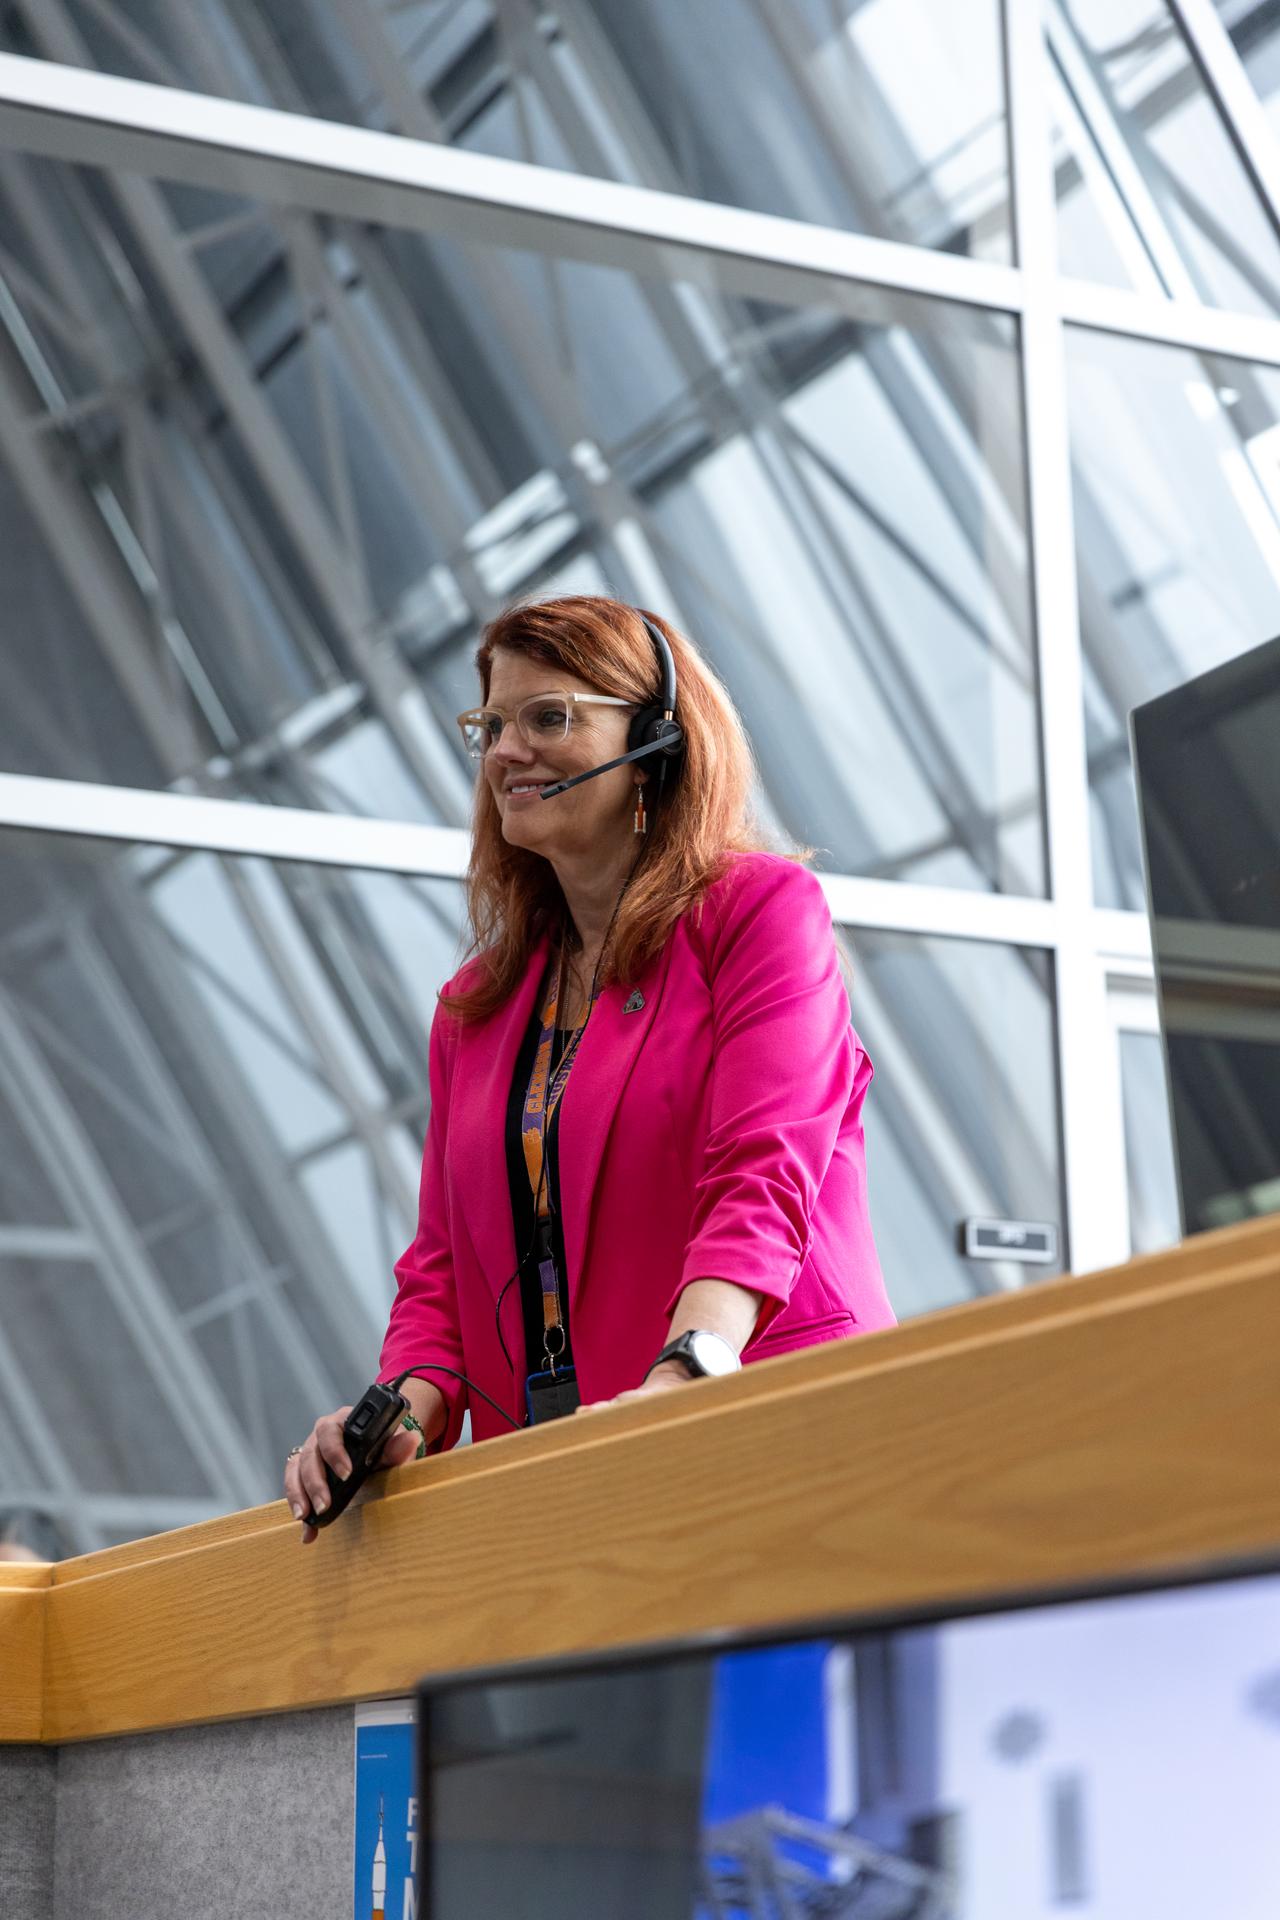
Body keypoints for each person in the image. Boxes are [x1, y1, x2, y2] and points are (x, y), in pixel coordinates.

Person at [285, 596, 894, 1541]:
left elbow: (762, 1175)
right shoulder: (474, 1009)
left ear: (655, 738)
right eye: (491, 724)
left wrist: (688, 1372)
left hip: (768, 1425)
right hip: (568, 1485)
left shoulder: (761, 912)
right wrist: (396, 1413)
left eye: (549, 717)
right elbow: (442, 1268)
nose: (505, 751)